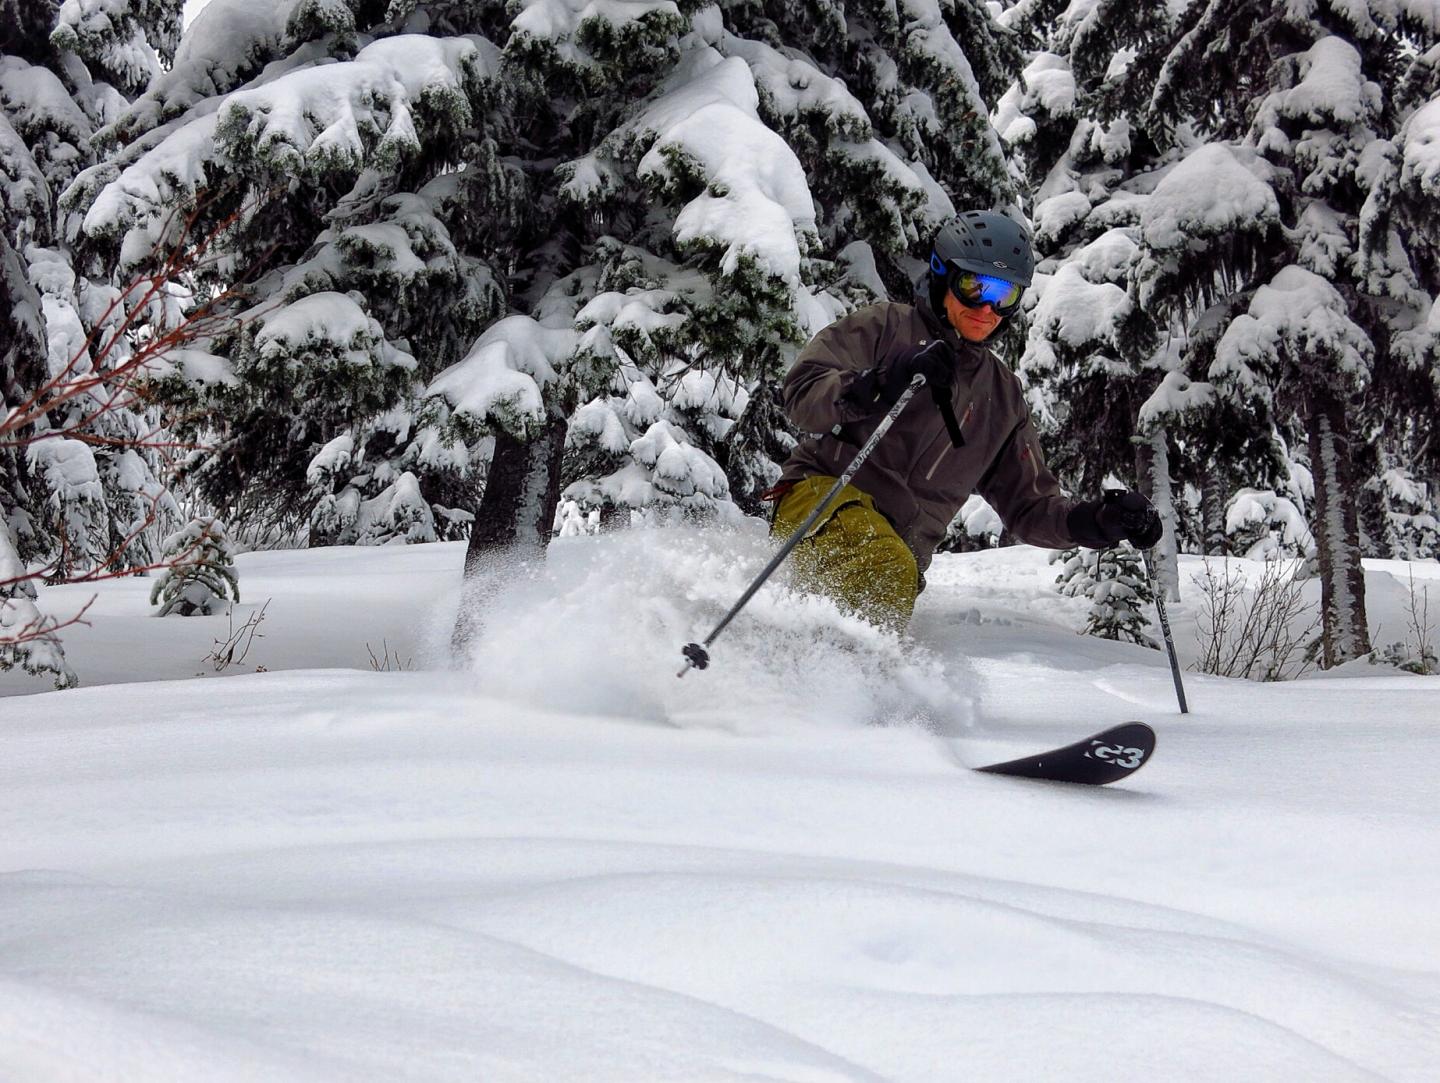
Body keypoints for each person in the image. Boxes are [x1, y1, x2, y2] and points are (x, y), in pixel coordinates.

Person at [768, 210, 1162, 630]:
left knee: (871, 597)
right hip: (820, 497)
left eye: (1005, 296)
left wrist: (1096, 521)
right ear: (942, 275)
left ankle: (808, 686)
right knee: (880, 571)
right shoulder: (886, 327)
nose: (988, 308)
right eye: (975, 287)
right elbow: (802, 394)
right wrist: (879, 382)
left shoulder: (1001, 396)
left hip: (899, 554)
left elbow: (1030, 506)